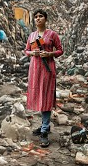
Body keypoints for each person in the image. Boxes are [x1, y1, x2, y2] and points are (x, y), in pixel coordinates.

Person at [24, 9, 63, 147]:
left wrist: (49, 54)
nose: (38, 19)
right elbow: (26, 50)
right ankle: (44, 125)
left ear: (46, 19)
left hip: (47, 69)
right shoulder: (32, 35)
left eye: (40, 16)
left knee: (46, 97)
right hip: (35, 69)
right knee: (39, 96)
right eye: (36, 17)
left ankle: (45, 131)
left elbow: (60, 50)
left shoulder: (52, 34)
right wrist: (32, 53)